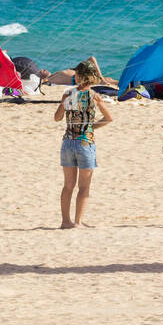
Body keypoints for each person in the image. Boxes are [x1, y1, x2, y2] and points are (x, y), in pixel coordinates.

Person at [53, 60, 113, 228]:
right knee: (84, 187)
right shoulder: (94, 96)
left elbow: (57, 118)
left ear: (78, 76)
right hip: (85, 143)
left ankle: (65, 221)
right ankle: (78, 222)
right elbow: (109, 118)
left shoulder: (69, 94)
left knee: (68, 186)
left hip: (68, 142)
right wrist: (92, 127)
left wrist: (63, 102)